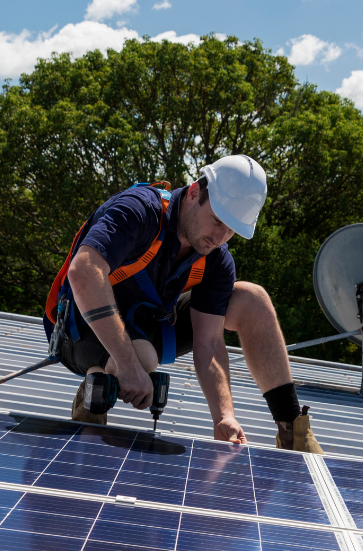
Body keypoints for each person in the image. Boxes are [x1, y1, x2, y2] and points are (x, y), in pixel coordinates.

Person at [43, 154, 322, 452]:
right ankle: (93, 395)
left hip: (148, 323)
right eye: (217, 220)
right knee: (143, 356)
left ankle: (293, 431)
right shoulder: (139, 211)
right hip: (80, 328)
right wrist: (127, 363)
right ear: (193, 193)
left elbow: (210, 343)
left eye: (231, 229)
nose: (219, 236)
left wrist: (224, 416)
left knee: (251, 299)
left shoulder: (215, 258)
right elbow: (84, 272)